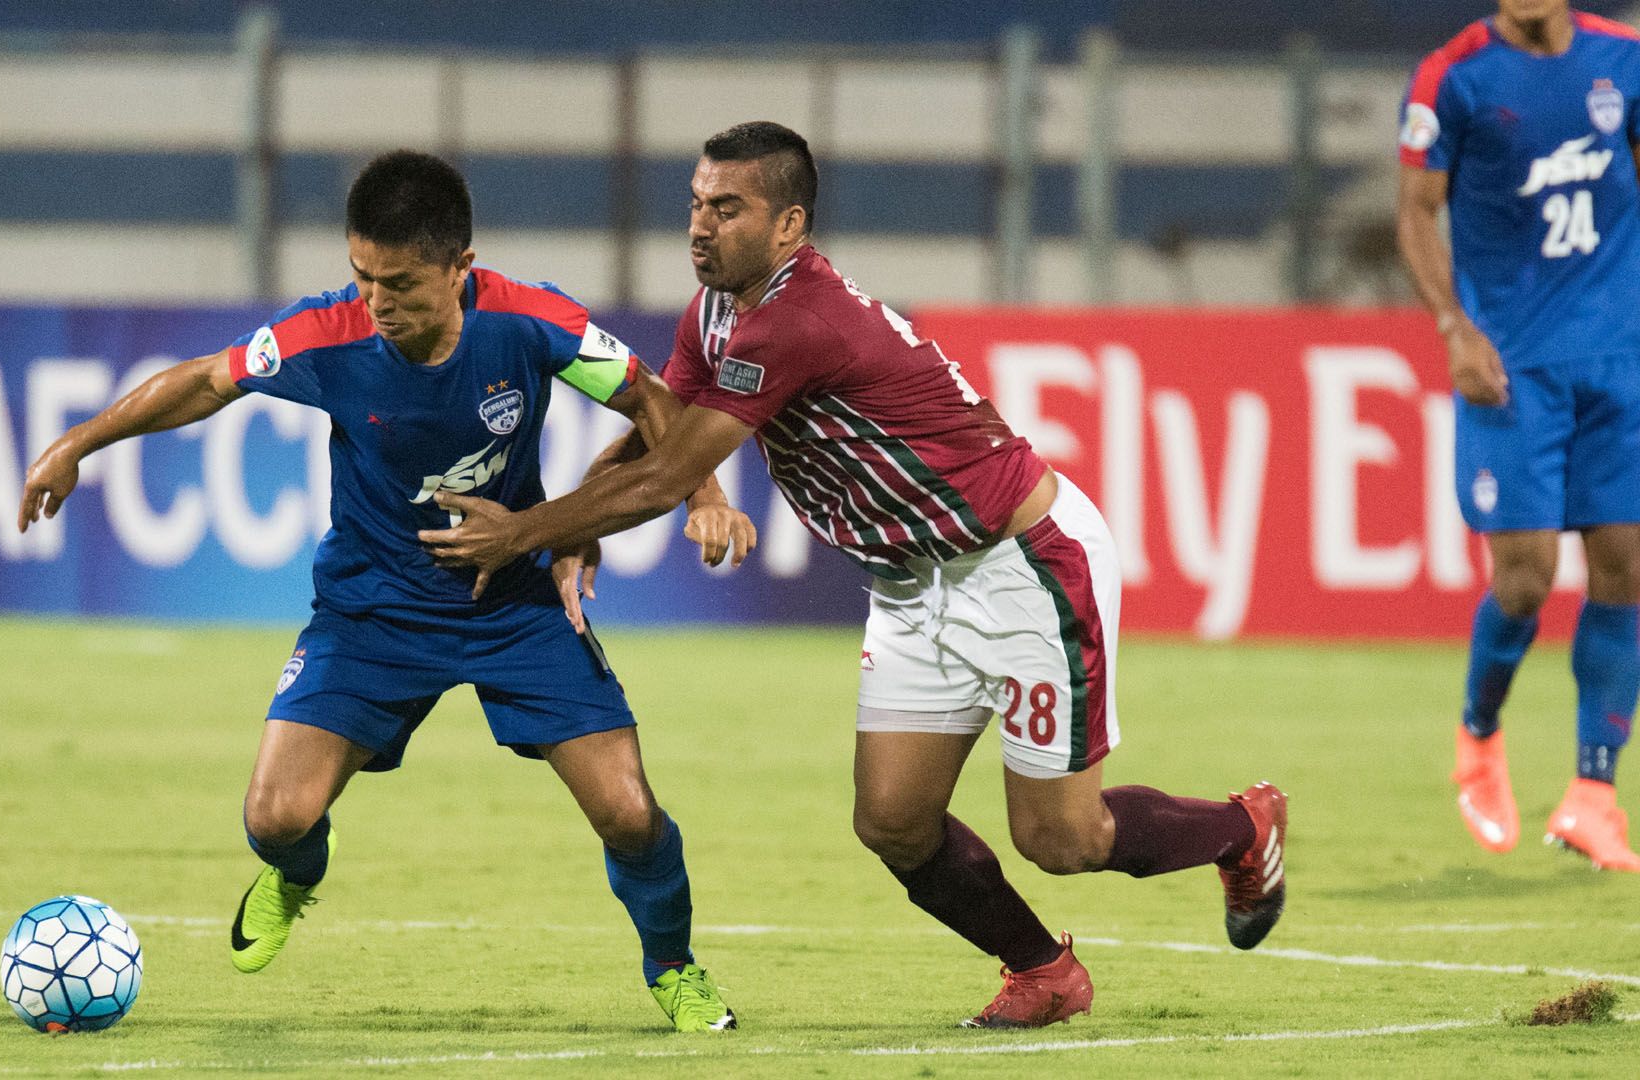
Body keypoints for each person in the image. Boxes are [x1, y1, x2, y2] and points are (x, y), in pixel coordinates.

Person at [420, 121, 1288, 1029]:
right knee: (894, 822)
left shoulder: (800, 318)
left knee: (1063, 840)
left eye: (727, 208)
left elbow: (673, 477)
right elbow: (663, 429)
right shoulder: (713, 308)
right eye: (695, 204)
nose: (700, 227)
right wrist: (583, 519)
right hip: (912, 589)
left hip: (1023, 566)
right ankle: (1042, 971)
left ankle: (1244, 828)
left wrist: (523, 531)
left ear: (790, 224)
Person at [17, 150, 750, 1030]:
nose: (378, 303)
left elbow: (651, 401)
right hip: (371, 608)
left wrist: (703, 492)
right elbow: (208, 382)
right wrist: (76, 445)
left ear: (458, 270)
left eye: (400, 283)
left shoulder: (533, 322)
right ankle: (298, 874)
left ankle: (672, 966)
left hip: (510, 602)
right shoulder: (326, 334)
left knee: (630, 814)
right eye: (363, 277)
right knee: (276, 815)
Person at [1395, 1, 1640, 871]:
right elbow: (1417, 212)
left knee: (1626, 566)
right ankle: (1480, 733)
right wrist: (1454, 330)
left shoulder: (1625, 60)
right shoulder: (1453, 75)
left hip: (1619, 359)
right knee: (1528, 581)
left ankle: (1593, 796)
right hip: (1513, 366)